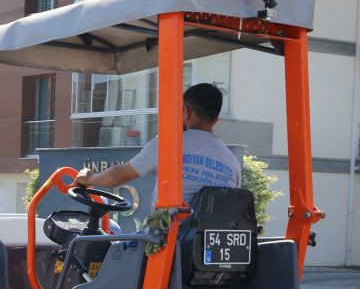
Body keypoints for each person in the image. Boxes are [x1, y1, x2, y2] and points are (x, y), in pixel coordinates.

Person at [74, 83, 241, 206]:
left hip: (168, 243)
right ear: (216, 119)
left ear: (186, 112)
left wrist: (90, 178)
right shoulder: (233, 162)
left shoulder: (168, 145)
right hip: (207, 246)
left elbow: (118, 176)